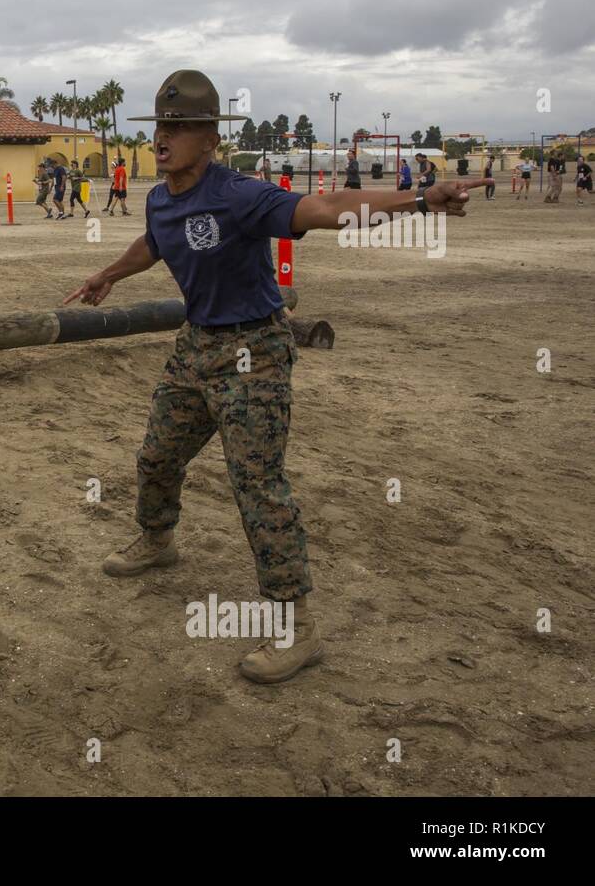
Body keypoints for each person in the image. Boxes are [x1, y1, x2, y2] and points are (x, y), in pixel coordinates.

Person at [67, 69, 486, 684]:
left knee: (257, 486)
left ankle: (298, 630)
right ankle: (158, 540)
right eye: (160, 125)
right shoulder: (160, 197)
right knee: (156, 457)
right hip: (195, 347)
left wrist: (419, 200)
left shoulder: (240, 194)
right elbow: (155, 241)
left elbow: (328, 207)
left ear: (211, 139)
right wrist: (110, 273)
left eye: (180, 128)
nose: (164, 138)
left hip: (253, 351)